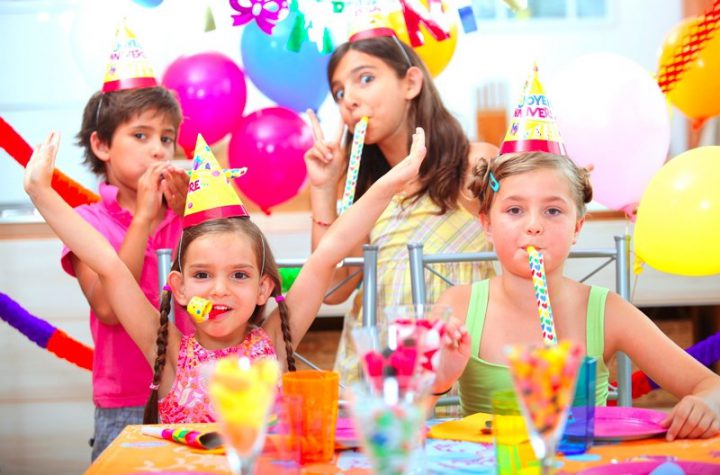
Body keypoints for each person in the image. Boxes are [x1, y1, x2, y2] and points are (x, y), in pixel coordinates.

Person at [25, 126, 428, 424]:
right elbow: (109, 266)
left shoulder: (273, 342)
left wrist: (391, 183)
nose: (219, 290)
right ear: (179, 288)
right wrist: (42, 193)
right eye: (202, 275)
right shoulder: (170, 356)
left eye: (239, 275)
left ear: (263, 288)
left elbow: (329, 253)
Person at [430, 150, 720, 441]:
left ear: (577, 227)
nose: (534, 225)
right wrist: (436, 384)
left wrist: (708, 404)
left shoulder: (607, 311)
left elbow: (712, 386)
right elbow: (407, 419)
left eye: (553, 211)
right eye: (515, 210)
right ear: (487, 225)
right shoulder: (458, 307)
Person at [304, 33, 496, 386]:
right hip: (379, 376)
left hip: (456, 370)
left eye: (365, 78)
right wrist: (324, 188)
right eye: (339, 92)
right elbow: (332, 290)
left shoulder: (473, 164)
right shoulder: (368, 194)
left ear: (410, 83)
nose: (349, 100)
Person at [62, 23, 191, 459]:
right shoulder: (86, 221)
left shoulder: (183, 214)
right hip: (125, 401)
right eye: (141, 135)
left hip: (192, 389)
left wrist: (193, 215)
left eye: (167, 138)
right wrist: (143, 221)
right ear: (102, 145)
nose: (158, 150)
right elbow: (107, 307)